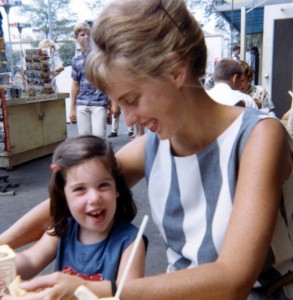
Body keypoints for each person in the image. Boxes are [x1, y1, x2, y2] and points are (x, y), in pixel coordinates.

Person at [1, 0, 293, 299]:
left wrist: (95, 289)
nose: (129, 119)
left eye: (132, 99)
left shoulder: (260, 138)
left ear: (175, 69)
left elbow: (233, 279)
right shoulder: (151, 147)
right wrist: (3, 245)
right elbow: (68, 196)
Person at [3, 135, 147, 298]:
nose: (94, 198)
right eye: (80, 189)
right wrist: (4, 268)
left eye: (103, 185)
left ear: (117, 189)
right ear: (63, 195)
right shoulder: (62, 228)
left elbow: (129, 294)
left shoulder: (131, 242)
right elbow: (30, 260)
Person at [69, 22, 108, 139]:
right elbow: (75, 85)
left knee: (99, 138)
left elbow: (108, 80)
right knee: (85, 140)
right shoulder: (76, 59)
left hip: (99, 103)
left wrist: (113, 104)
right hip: (82, 104)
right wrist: (71, 109)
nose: (86, 37)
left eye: (88, 34)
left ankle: (101, 158)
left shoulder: (100, 56)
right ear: (76, 38)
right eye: (82, 35)